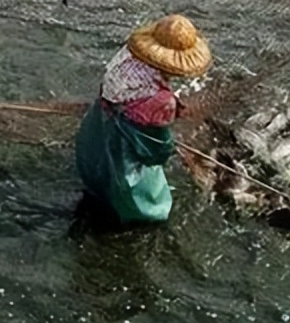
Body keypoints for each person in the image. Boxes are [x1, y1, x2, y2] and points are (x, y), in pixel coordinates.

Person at [74, 14, 212, 229]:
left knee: (99, 173)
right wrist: (169, 146)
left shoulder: (127, 56)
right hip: (122, 154)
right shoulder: (162, 102)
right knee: (139, 200)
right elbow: (156, 150)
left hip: (98, 128)